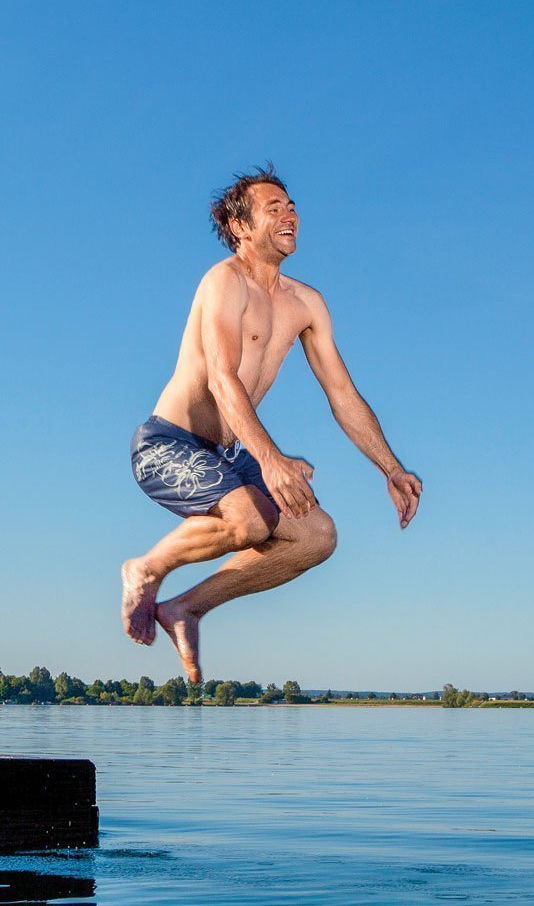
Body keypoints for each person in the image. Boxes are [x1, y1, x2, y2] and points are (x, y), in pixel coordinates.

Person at [121, 165, 422, 682]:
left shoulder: (306, 303)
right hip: (167, 445)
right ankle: (146, 569)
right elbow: (222, 378)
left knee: (317, 537)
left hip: (229, 453)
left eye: (292, 206)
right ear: (240, 227)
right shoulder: (224, 281)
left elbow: (342, 393)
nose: (291, 215)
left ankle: (185, 608)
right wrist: (271, 458)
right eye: (273, 208)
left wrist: (390, 468)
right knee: (252, 521)